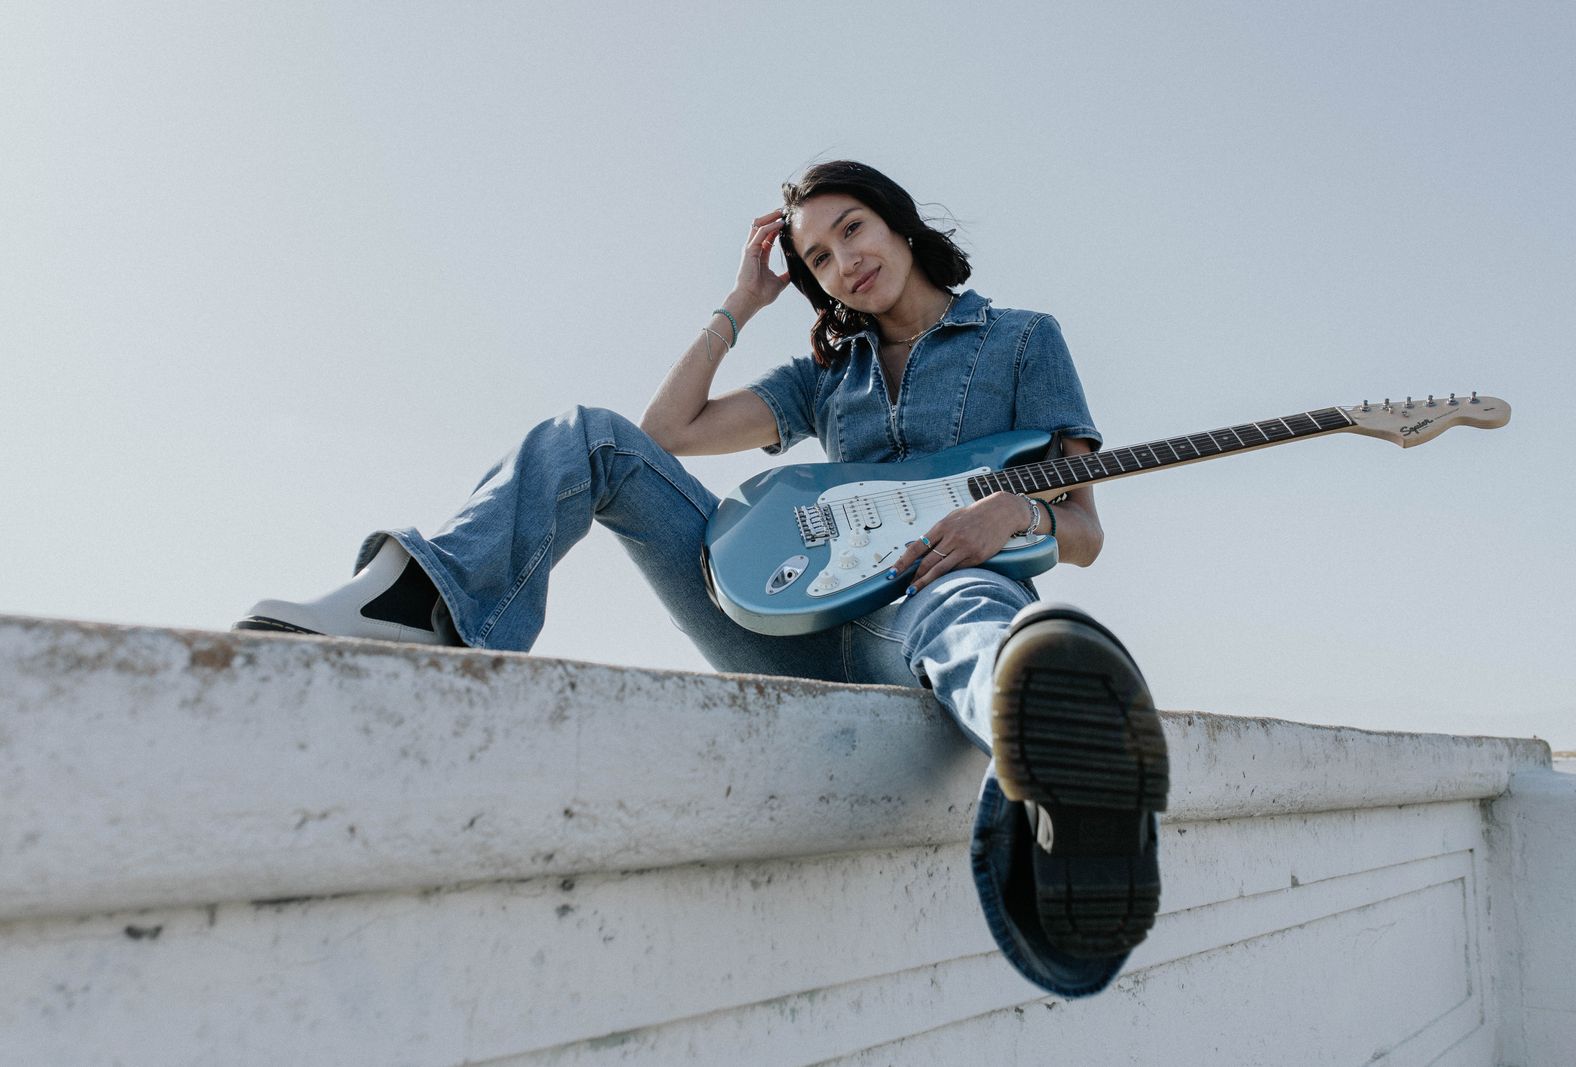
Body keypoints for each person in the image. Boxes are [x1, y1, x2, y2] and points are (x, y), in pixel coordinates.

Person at [237, 160, 1168, 999]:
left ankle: (1048, 753)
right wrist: (741, 303)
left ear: (898, 221)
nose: (843, 261)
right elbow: (666, 431)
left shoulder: (1023, 341)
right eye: (817, 257)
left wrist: (1016, 515)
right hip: (797, 624)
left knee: (963, 604)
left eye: (852, 229)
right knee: (592, 437)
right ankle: (422, 604)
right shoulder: (826, 378)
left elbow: (1083, 530)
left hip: (931, 615)